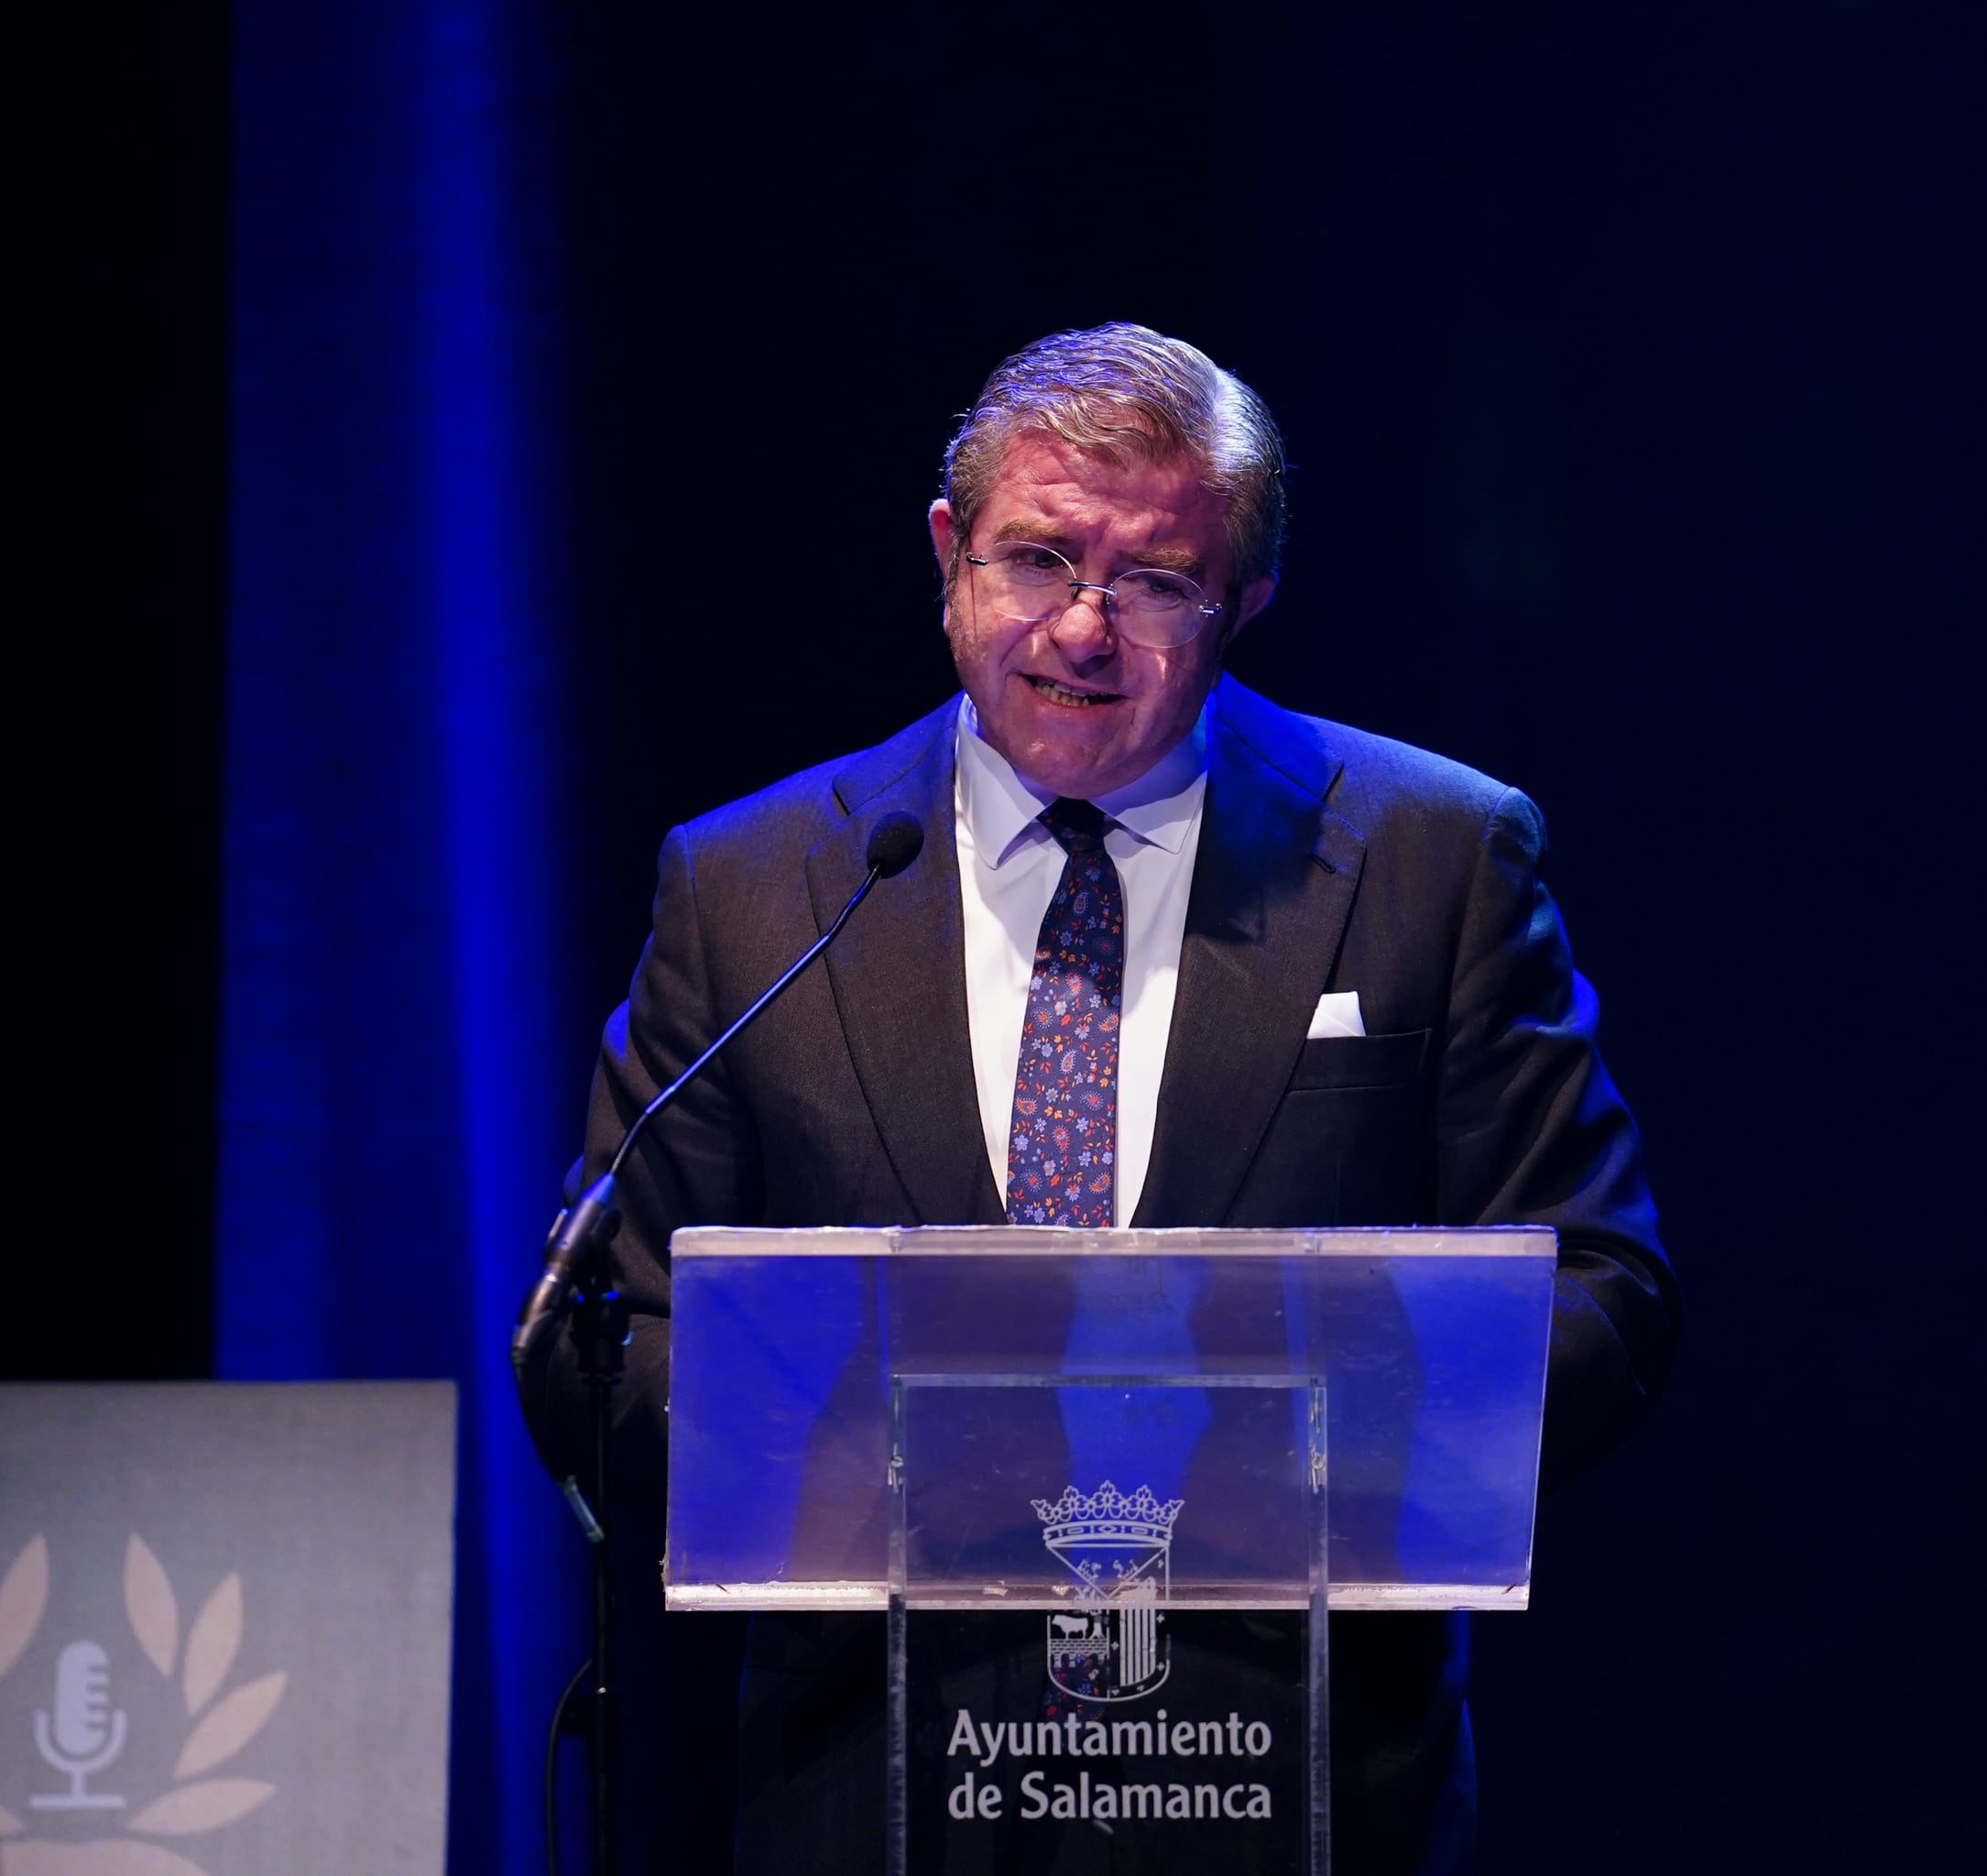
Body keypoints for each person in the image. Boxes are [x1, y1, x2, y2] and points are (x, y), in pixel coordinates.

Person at [523, 323, 1678, 1871]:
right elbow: (604, 1345)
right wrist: (920, 1448)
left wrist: (1266, 1415)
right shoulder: (753, 887)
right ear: (949, 555)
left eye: (1152, 581)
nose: (1080, 629)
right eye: (1036, 560)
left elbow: (1606, 1299)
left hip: (1294, 1791)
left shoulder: (1434, 861)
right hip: (880, 1797)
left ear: (1247, 599)